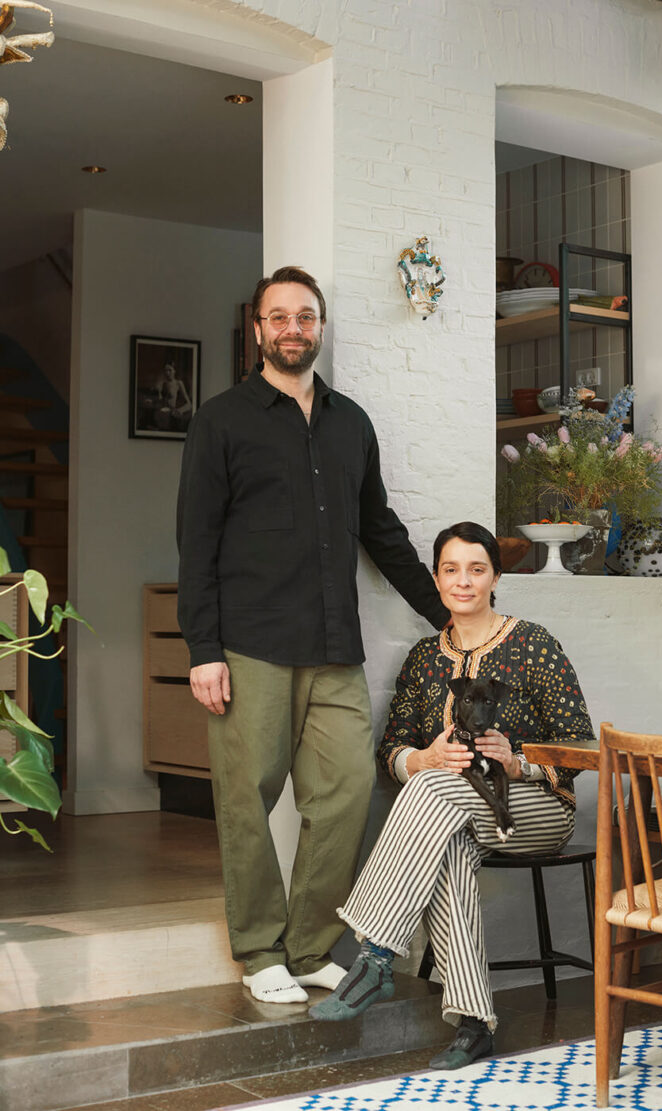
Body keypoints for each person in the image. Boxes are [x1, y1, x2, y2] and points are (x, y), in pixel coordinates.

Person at [176, 266, 449, 1004]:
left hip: (334, 648)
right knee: (246, 798)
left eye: (305, 316)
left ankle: (308, 944)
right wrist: (201, 649)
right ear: (258, 329)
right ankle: (259, 948)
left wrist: (445, 614)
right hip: (250, 643)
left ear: (319, 328)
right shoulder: (222, 420)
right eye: (279, 317)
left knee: (347, 792)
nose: (292, 328)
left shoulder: (350, 422)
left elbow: (380, 532)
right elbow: (195, 543)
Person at [311, 521, 595, 1069]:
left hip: (534, 808)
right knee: (447, 836)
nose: (463, 581)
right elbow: (392, 749)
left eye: (476, 569)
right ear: (437, 580)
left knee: (434, 792)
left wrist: (519, 762)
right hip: (457, 816)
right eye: (450, 570)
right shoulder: (423, 659)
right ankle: (473, 1023)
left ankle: (373, 956)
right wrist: (423, 758)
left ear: (494, 577)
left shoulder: (532, 643)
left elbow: (580, 743)